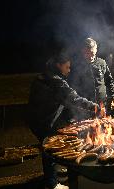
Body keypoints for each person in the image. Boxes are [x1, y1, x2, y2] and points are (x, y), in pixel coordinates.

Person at [28, 51, 99, 189]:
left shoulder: (44, 76)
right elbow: (73, 98)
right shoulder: (55, 81)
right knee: (48, 149)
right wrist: (94, 107)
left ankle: (52, 177)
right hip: (43, 121)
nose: (69, 70)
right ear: (58, 65)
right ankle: (52, 184)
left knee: (47, 148)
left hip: (36, 118)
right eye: (67, 67)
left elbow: (60, 101)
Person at [68, 37, 114, 120]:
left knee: (102, 128)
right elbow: (73, 85)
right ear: (82, 51)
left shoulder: (102, 62)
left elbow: (109, 80)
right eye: (86, 53)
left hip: (102, 104)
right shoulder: (78, 65)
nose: (89, 56)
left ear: (96, 49)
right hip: (86, 106)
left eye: (92, 53)